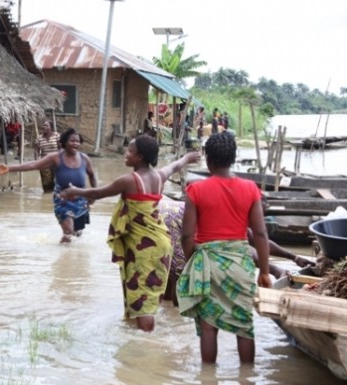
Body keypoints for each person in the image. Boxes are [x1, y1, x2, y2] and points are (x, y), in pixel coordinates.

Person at [60, 135, 200, 332]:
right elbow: (175, 166)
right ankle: (138, 336)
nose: (125, 154)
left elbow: (99, 193)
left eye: (130, 152)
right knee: (147, 293)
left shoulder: (129, 180)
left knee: (143, 300)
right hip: (160, 242)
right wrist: (187, 158)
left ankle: (145, 347)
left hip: (144, 247)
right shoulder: (159, 176)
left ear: (140, 157)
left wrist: (75, 190)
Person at [176, 133, 273, 365]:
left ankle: (207, 378)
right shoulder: (250, 189)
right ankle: (246, 377)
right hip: (240, 264)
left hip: (208, 265)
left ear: (208, 160)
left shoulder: (196, 190)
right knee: (244, 326)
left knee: (208, 327)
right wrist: (265, 271)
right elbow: (260, 234)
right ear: (234, 159)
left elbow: (187, 235)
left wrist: (192, 261)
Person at [160, 198, 316, 306]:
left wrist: (294, 257)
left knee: (175, 273)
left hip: (167, 212)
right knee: (180, 276)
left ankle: (167, 309)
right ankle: (174, 318)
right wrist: (275, 270)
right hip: (170, 221)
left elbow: (258, 240)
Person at [0, 128, 97, 243]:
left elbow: (92, 175)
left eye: (77, 141)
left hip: (81, 200)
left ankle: (72, 258)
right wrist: (10, 168)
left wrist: (94, 194)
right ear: (64, 143)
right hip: (63, 199)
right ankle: (63, 258)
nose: (75, 143)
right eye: (72, 141)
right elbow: (34, 165)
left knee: (77, 233)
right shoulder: (55, 157)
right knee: (68, 233)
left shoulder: (84, 158)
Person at [34, 120, 61, 193]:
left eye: (46, 125)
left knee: (57, 182)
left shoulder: (57, 136)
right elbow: (36, 150)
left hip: (56, 162)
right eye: (43, 125)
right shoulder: (39, 138)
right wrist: (37, 161)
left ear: (51, 128)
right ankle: (47, 197)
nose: (44, 127)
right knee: (46, 185)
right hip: (44, 163)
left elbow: (60, 148)